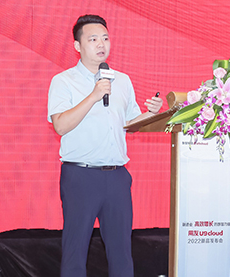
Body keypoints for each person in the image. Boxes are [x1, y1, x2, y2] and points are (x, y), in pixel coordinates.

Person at [47, 14, 163, 277]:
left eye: (106, 38)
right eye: (93, 39)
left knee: (121, 252)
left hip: (117, 177)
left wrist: (151, 114)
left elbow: (130, 124)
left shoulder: (122, 80)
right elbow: (61, 126)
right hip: (81, 176)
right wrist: (94, 95)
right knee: (75, 251)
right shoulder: (63, 81)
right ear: (77, 46)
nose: (101, 44)